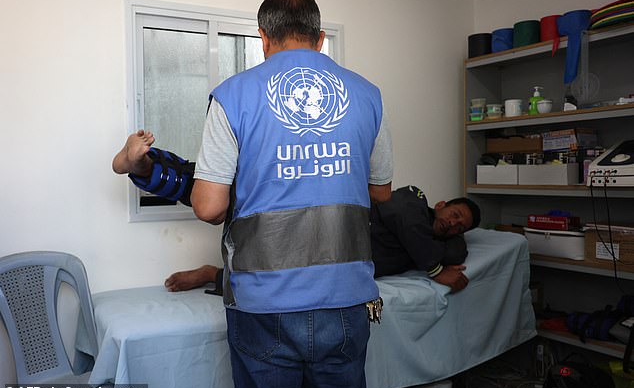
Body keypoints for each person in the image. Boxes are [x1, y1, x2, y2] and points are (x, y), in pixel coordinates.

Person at [114, 0, 393, 388]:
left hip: (265, 307)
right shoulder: (368, 95)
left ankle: (138, 165)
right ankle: (142, 166)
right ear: (319, 39)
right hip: (346, 299)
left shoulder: (233, 95)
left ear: (263, 37)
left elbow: (209, 207)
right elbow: (381, 193)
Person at [114, 137, 479, 295]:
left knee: (273, 273)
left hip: (330, 257)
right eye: (456, 214)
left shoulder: (433, 244)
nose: (454, 223)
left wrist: (446, 250)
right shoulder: (413, 201)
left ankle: (214, 274)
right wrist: (434, 270)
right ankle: (143, 163)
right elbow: (401, 216)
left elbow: (456, 253)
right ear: (442, 204)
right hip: (321, 224)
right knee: (216, 186)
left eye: (461, 226)